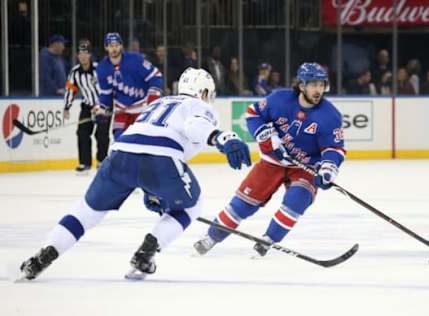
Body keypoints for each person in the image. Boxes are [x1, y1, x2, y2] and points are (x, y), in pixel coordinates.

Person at [18, 68, 252, 281]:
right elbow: (194, 126)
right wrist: (221, 137)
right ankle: (146, 252)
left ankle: (44, 254)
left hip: (120, 154)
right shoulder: (201, 107)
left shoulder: (156, 104)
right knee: (192, 205)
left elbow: (140, 143)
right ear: (202, 92)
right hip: (160, 159)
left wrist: (149, 189)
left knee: (86, 212)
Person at [193, 63, 345, 257]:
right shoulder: (279, 99)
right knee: (242, 205)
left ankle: (268, 240)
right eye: (313, 85)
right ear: (301, 85)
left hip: (304, 167)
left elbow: (334, 148)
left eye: (321, 85)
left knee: (297, 200)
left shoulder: (330, 116)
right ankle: (210, 238)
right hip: (271, 162)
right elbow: (253, 114)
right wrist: (265, 136)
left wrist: (328, 168)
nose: (318, 90)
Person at [93, 32, 163, 140]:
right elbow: (106, 95)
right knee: (119, 141)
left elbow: (156, 76)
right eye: (111, 46)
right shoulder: (102, 69)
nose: (114, 49)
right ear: (106, 47)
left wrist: (153, 96)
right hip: (122, 111)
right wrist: (102, 110)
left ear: (121, 46)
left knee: (141, 142)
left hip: (141, 109)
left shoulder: (135, 59)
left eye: (116, 45)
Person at [63, 39, 111, 173]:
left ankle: (102, 160)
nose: (83, 56)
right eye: (80, 53)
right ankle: (85, 163)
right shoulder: (75, 72)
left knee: (101, 134)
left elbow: (108, 87)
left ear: (90, 55)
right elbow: (70, 89)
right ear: (78, 56)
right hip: (87, 106)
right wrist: (67, 107)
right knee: (82, 133)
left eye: (85, 53)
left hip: (103, 107)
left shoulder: (99, 69)